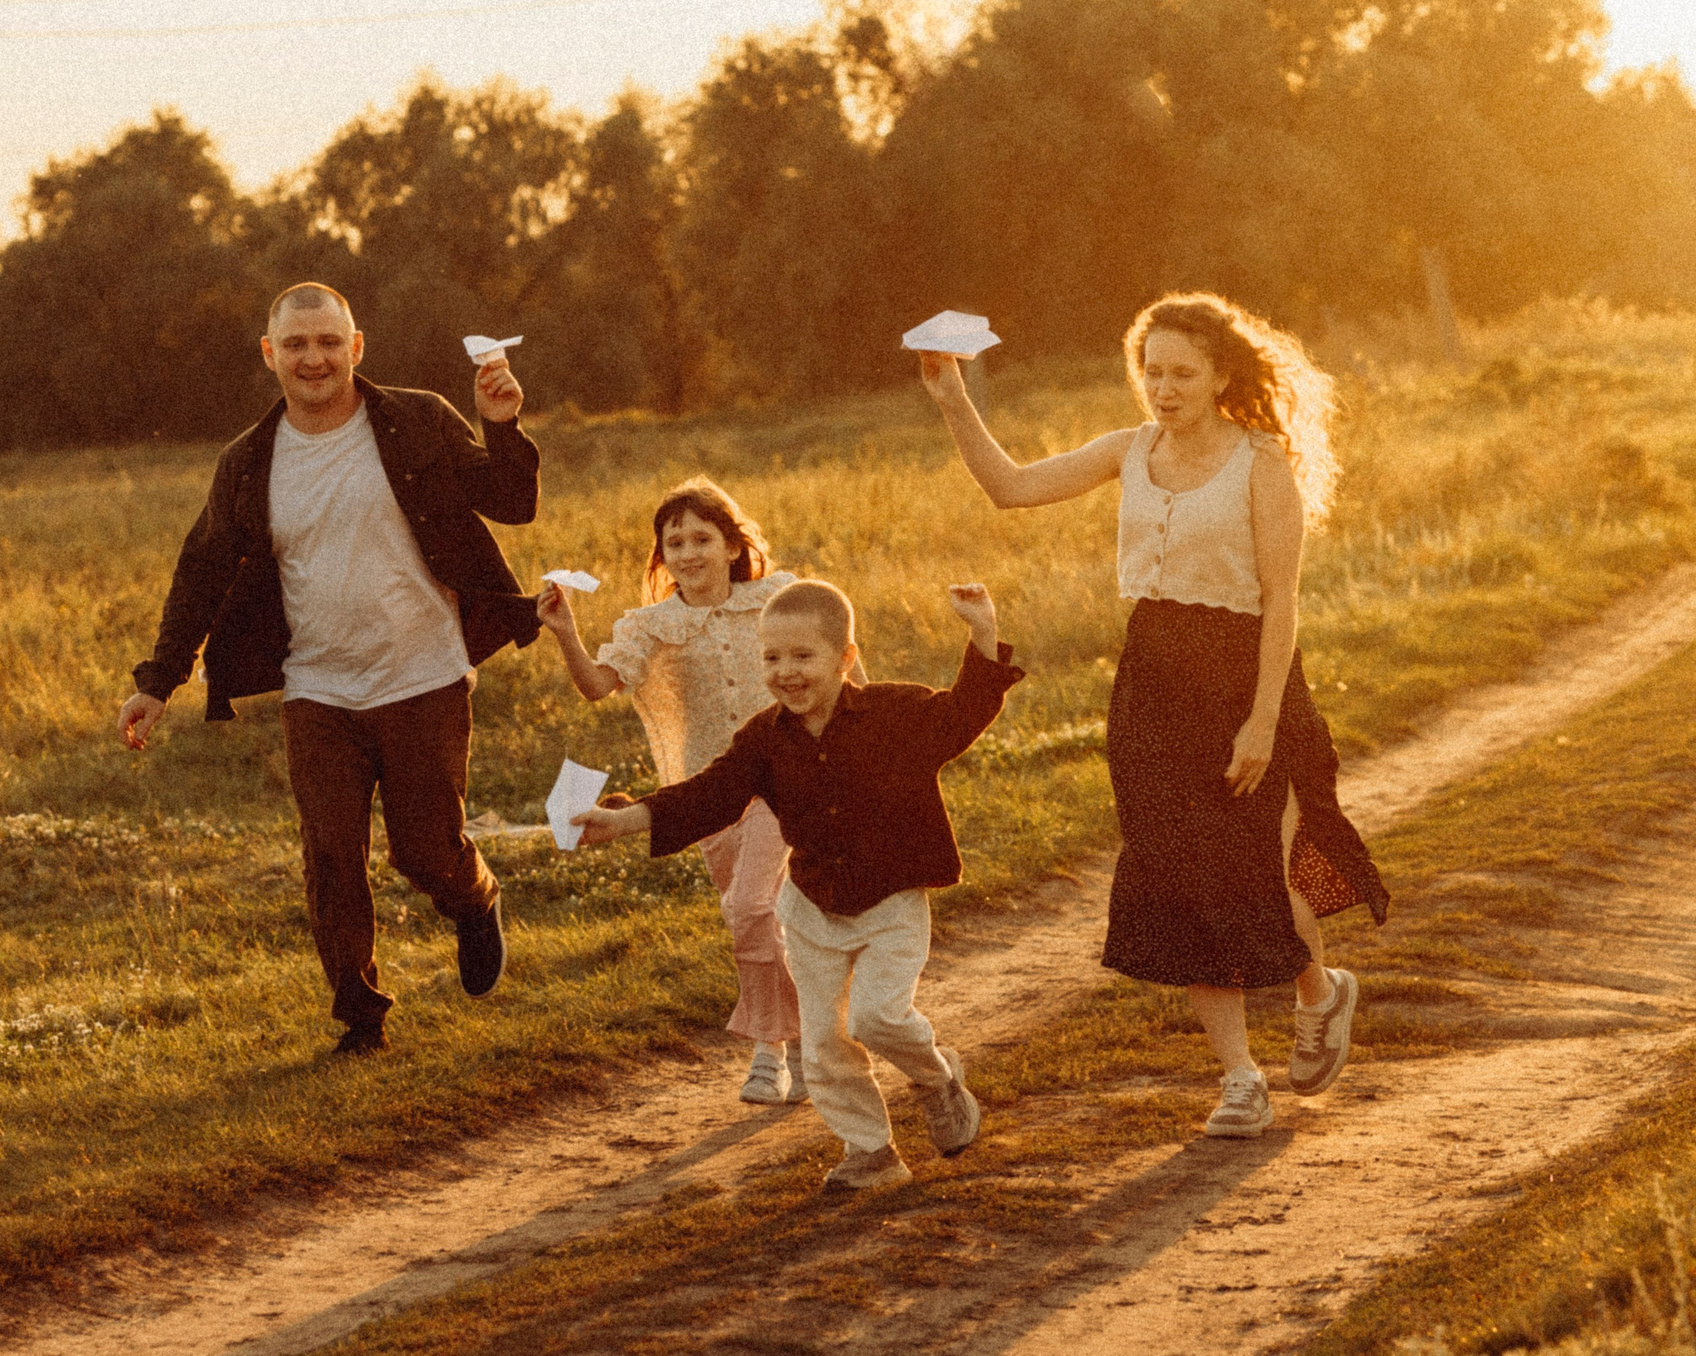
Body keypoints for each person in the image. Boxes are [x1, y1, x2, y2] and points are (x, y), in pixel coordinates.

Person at [916, 291, 1388, 1137]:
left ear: (1218, 377)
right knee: (1179, 873)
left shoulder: (1261, 461)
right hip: (1152, 682)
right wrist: (952, 394)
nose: (1163, 389)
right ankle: (1240, 1077)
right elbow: (1011, 488)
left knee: (1261, 872)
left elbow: (1282, 603)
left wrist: (1262, 720)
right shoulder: (1129, 449)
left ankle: (1321, 989)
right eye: (1152, 371)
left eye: (1182, 372)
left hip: (1247, 675)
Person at [118, 282, 541, 1056]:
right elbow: (202, 569)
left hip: (423, 674)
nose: (313, 358)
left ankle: (475, 898)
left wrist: (503, 425)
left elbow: (511, 501)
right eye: (297, 344)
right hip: (318, 687)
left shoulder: (417, 419)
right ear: (270, 353)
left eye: (328, 341)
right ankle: (360, 1017)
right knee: (331, 855)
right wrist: (157, 680)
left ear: (357, 345)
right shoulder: (248, 463)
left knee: (425, 851)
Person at [574, 579, 1024, 1188]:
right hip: (812, 907)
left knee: (876, 1018)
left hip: (892, 901)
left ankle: (937, 1077)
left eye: (803, 657)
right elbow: (710, 795)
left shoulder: (892, 713)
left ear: (844, 658)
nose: (785, 672)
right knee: (824, 1043)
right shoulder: (764, 739)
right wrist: (623, 820)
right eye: (771, 657)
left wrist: (981, 628)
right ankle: (871, 1152)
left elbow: (964, 712)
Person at [535, 478, 811, 1105]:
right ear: (662, 556)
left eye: (703, 539)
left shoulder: (780, 596)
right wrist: (564, 632)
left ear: (734, 547)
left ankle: (771, 1050)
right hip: (705, 796)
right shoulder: (652, 625)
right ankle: (803, 1036)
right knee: (756, 920)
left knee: (749, 909)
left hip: (784, 783)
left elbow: (838, 659)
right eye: (674, 542)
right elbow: (599, 685)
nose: (689, 553)